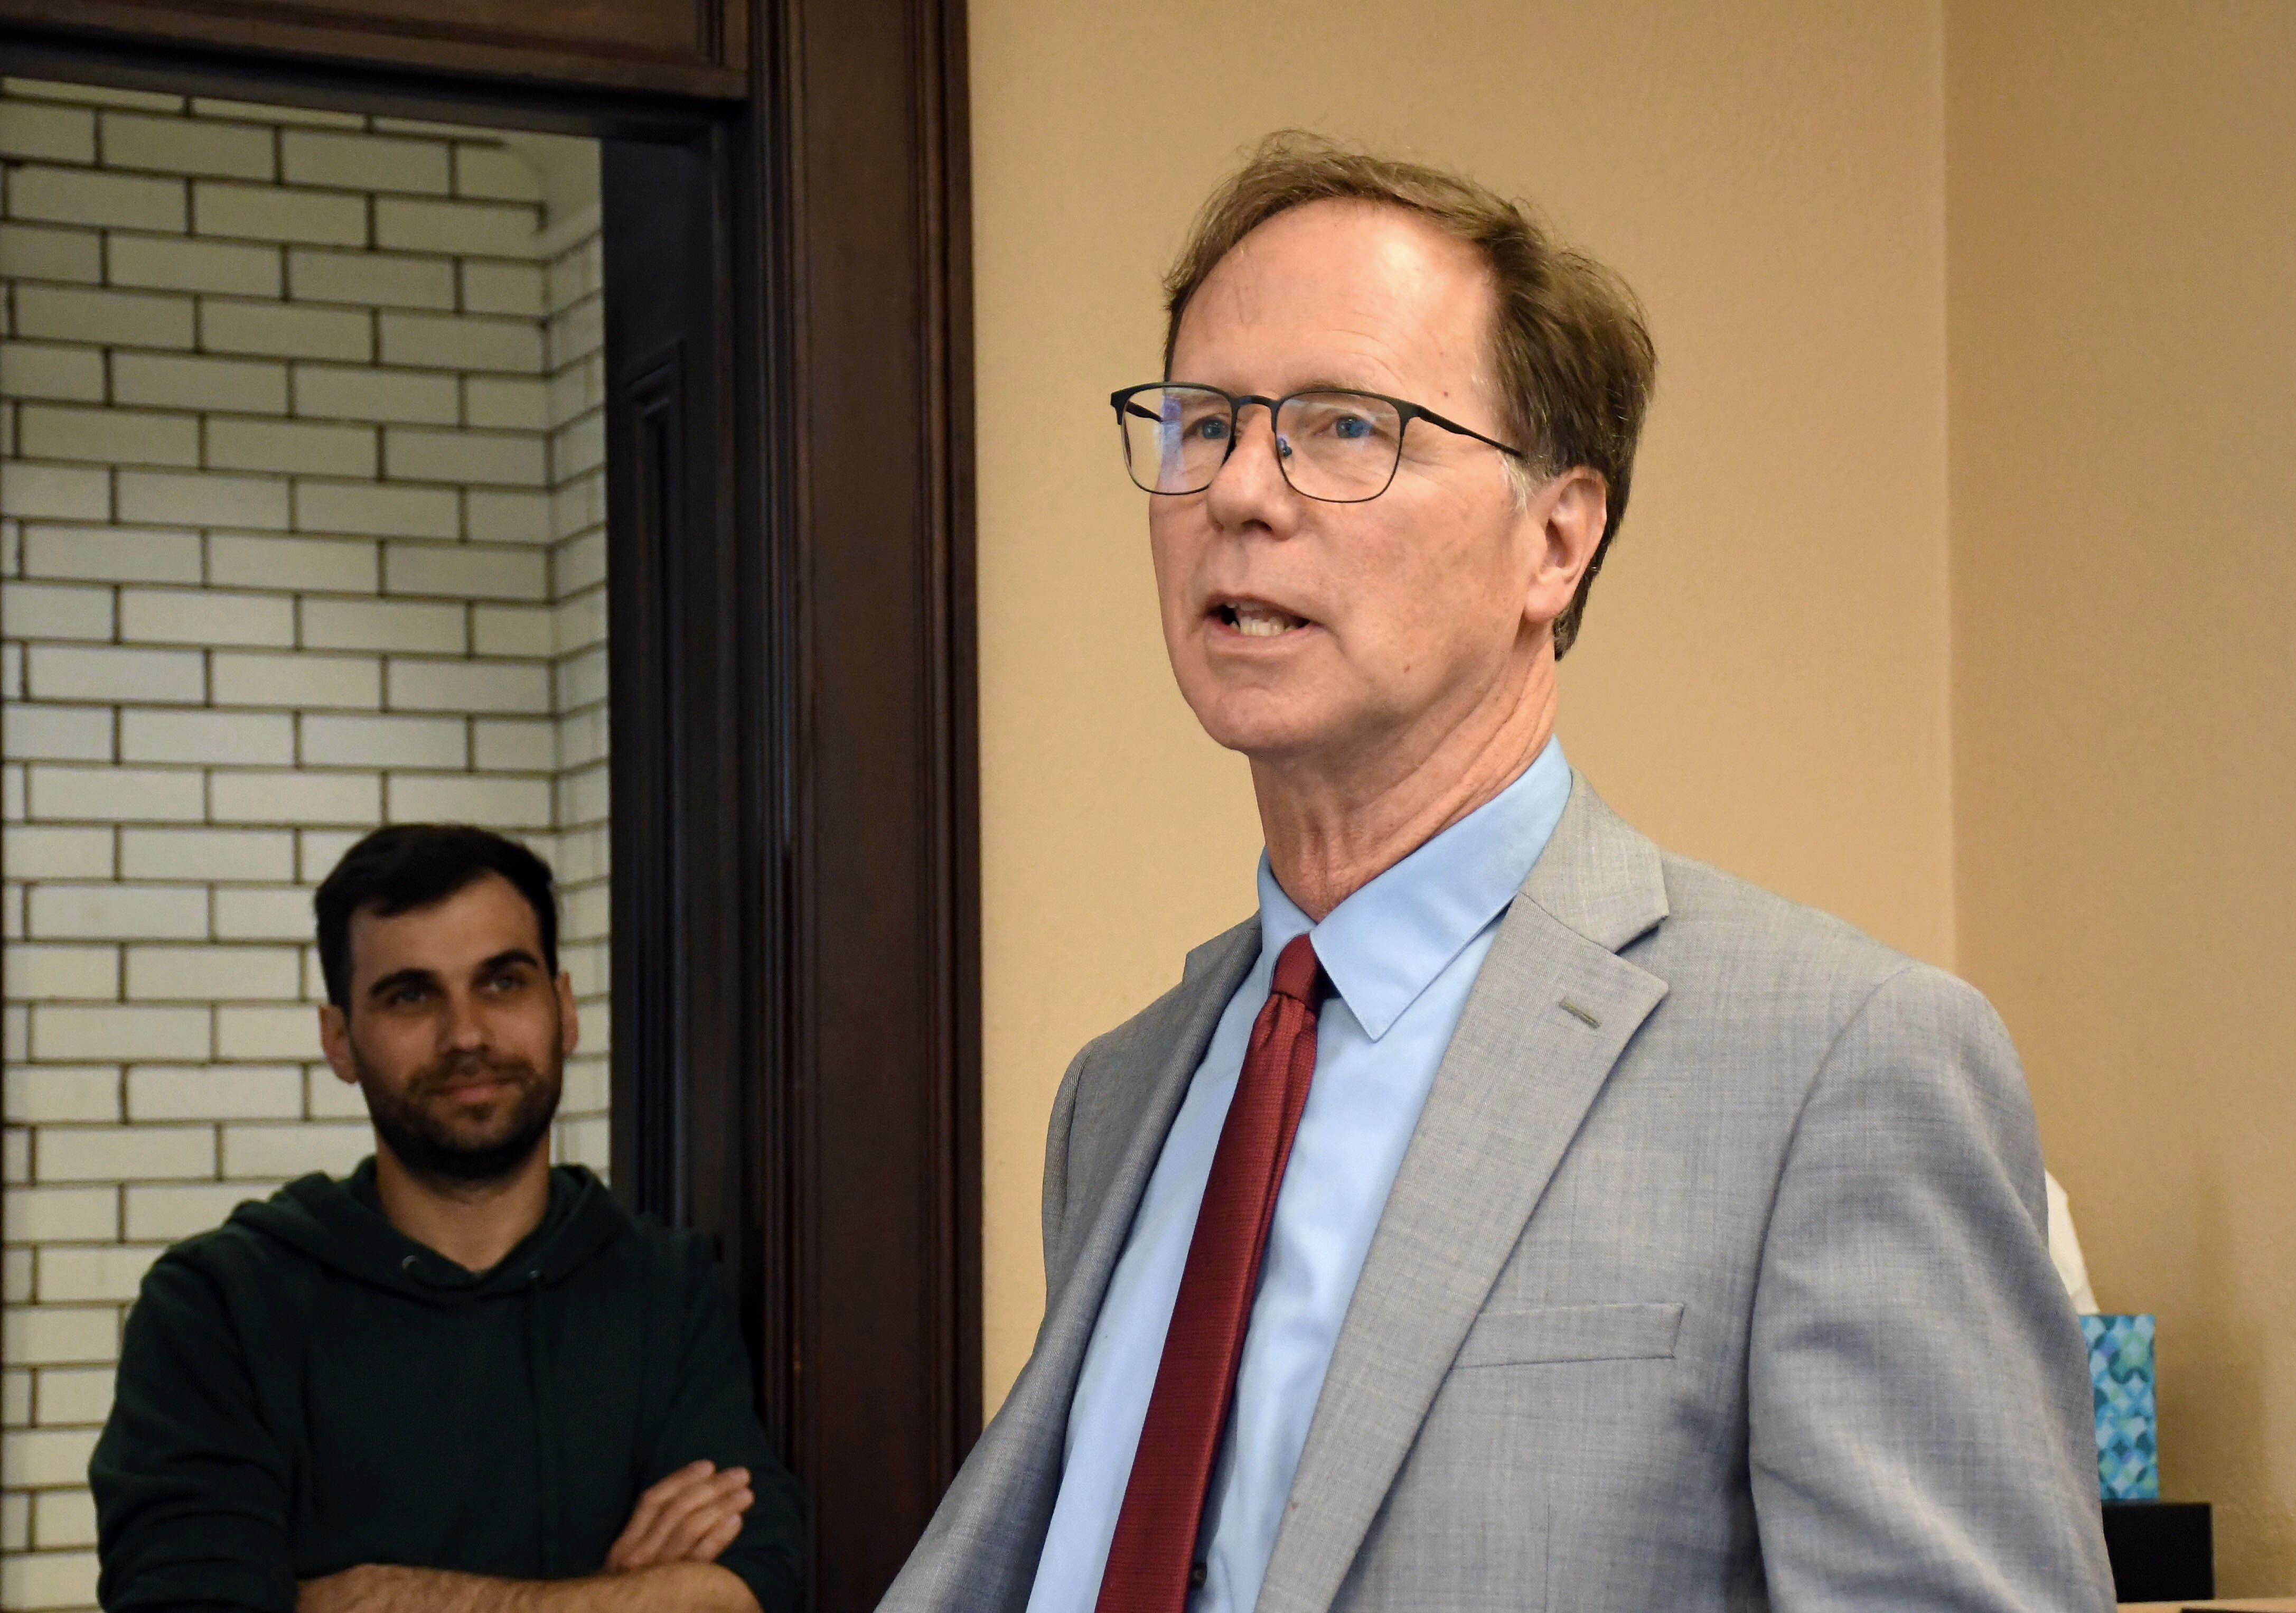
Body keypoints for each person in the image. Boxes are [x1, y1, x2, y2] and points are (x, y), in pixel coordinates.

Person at [882, 135, 2109, 1612]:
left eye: (1341, 427)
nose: (1239, 492)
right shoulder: (1119, 1092)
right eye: (1201, 422)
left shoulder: (1838, 1064)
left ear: (1556, 538)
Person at [90, 825, 807, 1613]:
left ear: (564, 1009)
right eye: (411, 994)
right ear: (340, 1041)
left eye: (502, 983)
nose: (466, 1034)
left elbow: (744, 1595)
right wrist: (612, 1599)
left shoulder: (667, 1289)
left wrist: (369, 1595)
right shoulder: (218, 1306)